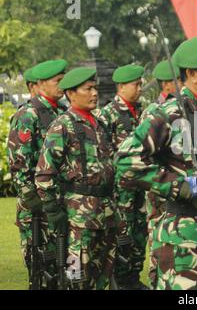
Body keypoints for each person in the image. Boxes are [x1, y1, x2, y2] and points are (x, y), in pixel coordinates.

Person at [114, 36, 197, 289]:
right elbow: (126, 161)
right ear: (192, 74)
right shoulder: (169, 113)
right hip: (186, 237)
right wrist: (179, 185)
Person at [35, 67, 119, 290]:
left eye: (95, 88)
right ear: (71, 94)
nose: (94, 93)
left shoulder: (99, 124)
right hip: (78, 219)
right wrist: (54, 211)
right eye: (88, 89)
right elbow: (44, 174)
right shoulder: (62, 125)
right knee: (76, 276)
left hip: (106, 214)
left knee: (104, 274)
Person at [7, 59, 67, 289]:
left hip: (61, 205)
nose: (62, 85)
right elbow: (20, 168)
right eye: (57, 81)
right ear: (41, 84)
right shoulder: (28, 115)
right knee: (43, 272)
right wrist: (40, 205)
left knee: (67, 271)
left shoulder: (61, 112)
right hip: (38, 212)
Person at [99, 64, 148, 290]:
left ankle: (133, 278)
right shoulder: (107, 114)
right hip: (121, 192)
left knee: (140, 236)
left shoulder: (144, 111)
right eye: (135, 84)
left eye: (140, 84)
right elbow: (103, 154)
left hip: (143, 188)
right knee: (122, 237)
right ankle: (118, 280)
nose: (140, 88)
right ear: (121, 86)